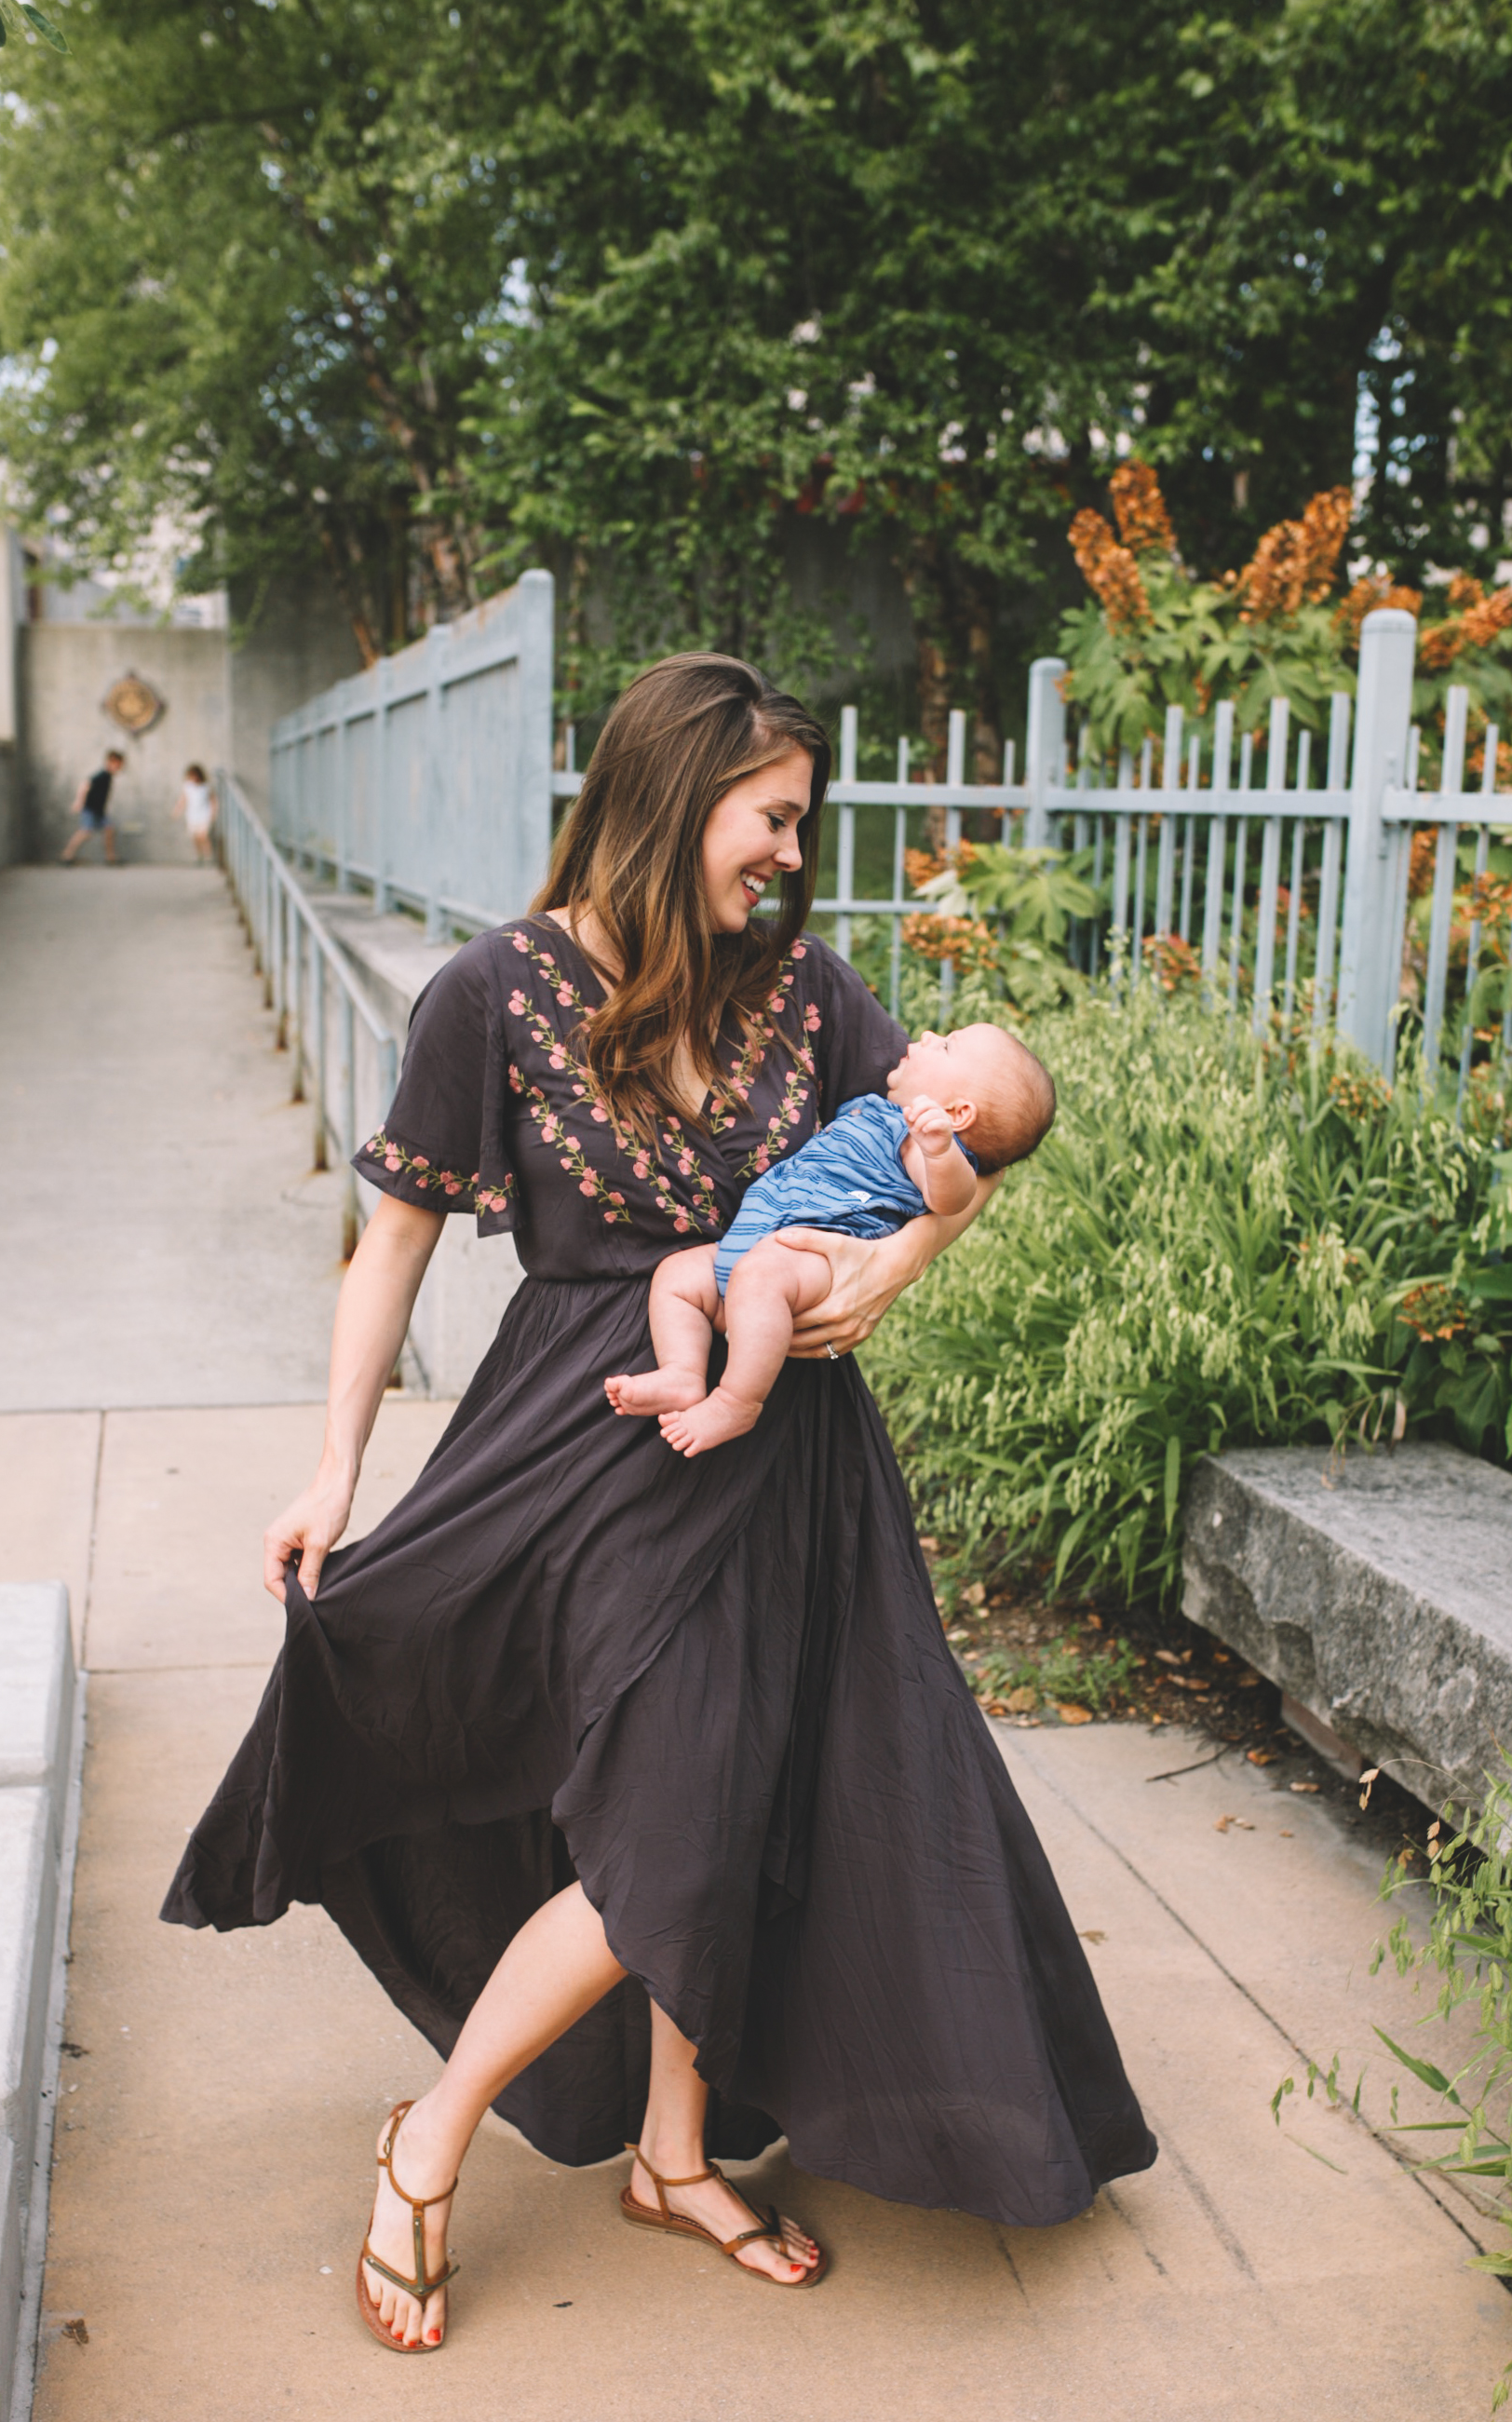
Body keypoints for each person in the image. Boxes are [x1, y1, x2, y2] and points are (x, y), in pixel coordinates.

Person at [163, 654, 1156, 2358]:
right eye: (770, 818)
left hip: (793, 1463)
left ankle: (672, 2154)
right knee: (674, 1812)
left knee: (751, 1790)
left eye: (798, 824)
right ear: (674, 795)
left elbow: (955, 1158)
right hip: (584, 1447)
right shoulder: (492, 992)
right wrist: (333, 1465)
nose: (790, 852)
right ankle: (431, 2137)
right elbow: (387, 1243)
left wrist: (894, 1268)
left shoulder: (809, 987)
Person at [606, 1021, 1055, 1456]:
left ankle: (736, 1402)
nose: (929, 1035)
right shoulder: (877, 1110)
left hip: (817, 1249)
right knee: (679, 1275)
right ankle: (683, 1371)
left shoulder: (922, 1143)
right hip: (755, 1242)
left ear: (958, 1113)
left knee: (760, 1280)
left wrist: (940, 1149)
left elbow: (951, 1198)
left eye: (948, 1046)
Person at [61, 749, 125, 863]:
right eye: (118, 764)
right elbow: (85, 785)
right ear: (112, 761)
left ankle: (110, 858)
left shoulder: (108, 776)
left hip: (99, 811)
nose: (119, 767)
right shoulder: (102, 775)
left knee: (109, 829)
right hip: (91, 809)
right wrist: (79, 801)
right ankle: (67, 856)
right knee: (85, 832)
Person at [172, 763, 217, 862]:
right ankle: (199, 856)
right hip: (192, 815)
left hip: (204, 814)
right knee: (195, 837)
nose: (194, 777)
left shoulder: (206, 787)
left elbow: (213, 801)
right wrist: (177, 810)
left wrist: (213, 813)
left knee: (203, 836)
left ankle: (208, 857)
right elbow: (183, 800)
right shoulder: (188, 786)